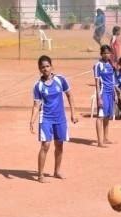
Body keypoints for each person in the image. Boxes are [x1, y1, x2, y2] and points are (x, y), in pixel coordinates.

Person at [29, 55, 78, 183]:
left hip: (60, 118)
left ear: (51, 66)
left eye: (47, 66)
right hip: (46, 118)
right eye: (42, 67)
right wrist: (32, 121)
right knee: (45, 145)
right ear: (39, 69)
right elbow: (36, 105)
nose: (45, 69)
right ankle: (40, 175)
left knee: (59, 145)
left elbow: (69, 96)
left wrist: (73, 113)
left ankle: (57, 171)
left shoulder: (60, 80)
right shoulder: (38, 86)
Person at [94, 45, 115, 147]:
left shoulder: (110, 64)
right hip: (103, 93)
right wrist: (99, 98)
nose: (107, 55)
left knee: (107, 116)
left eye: (108, 53)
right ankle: (99, 141)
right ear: (101, 54)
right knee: (100, 116)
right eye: (105, 53)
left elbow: (112, 79)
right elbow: (97, 82)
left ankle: (106, 138)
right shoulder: (98, 65)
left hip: (110, 92)